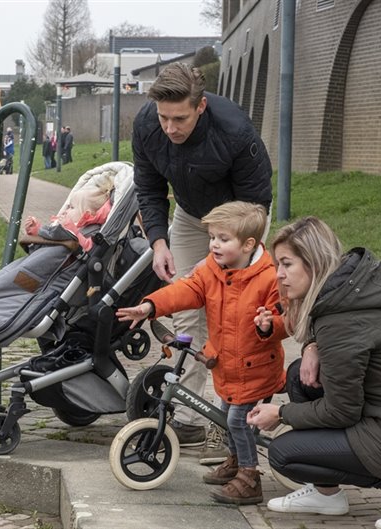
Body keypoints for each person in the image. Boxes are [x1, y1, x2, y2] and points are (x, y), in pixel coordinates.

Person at [246, 216, 381, 529]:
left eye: (287, 264)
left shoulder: (341, 321)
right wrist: (311, 346)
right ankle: (326, 495)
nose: (279, 274)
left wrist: (280, 413)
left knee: (283, 454)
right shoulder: (347, 291)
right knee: (298, 377)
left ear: (314, 263)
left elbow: (341, 411)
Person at [132, 61, 273, 459]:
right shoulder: (147, 125)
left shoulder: (235, 132)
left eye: (180, 119)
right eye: (164, 118)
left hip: (239, 219)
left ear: (201, 107)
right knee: (187, 312)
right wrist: (158, 242)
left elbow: (256, 205)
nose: (170, 128)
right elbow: (148, 187)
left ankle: (234, 419)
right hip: (192, 218)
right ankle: (193, 418)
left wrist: (227, 252)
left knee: (235, 316)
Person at [116, 201, 286, 505]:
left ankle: (249, 477)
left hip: (256, 367)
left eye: (223, 239)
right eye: (212, 237)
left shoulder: (269, 278)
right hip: (226, 365)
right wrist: (150, 306)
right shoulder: (212, 268)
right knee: (225, 418)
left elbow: (284, 320)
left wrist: (267, 325)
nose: (214, 245)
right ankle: (236, 461)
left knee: (236, 421)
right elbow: (187, 290)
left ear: (248, 244)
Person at [24, 177, 112, 252]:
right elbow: (51, 240)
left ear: (86, 214)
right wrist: (36, 231)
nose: (66, 210)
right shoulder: (71, 224)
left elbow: (89, 248)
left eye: (72, 207)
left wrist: (74, 232)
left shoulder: (92, 230)